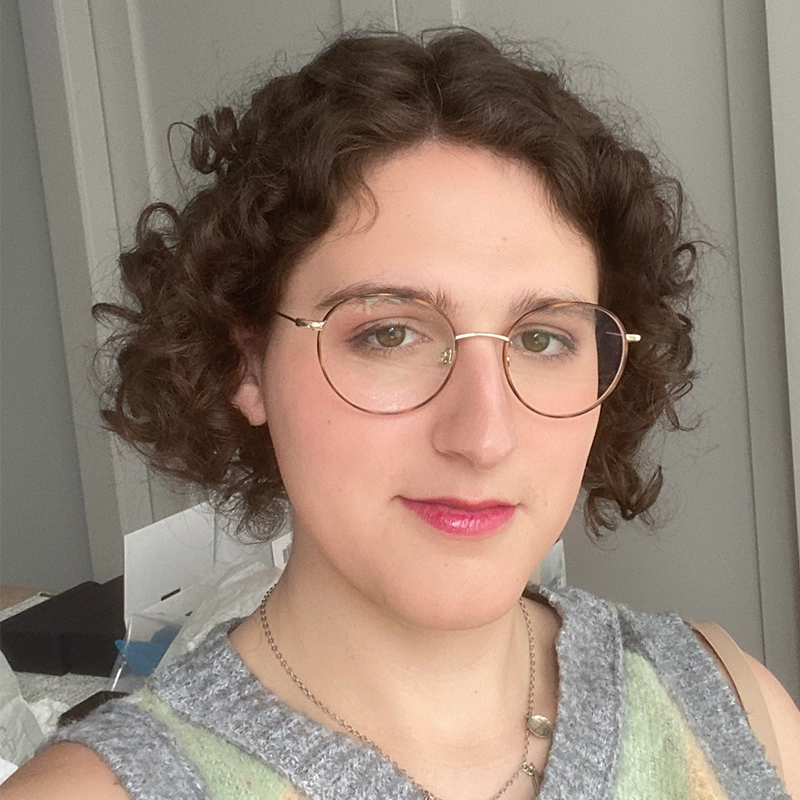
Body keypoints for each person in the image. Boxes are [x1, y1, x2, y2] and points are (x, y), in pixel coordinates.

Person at [6, 27, 799, 800]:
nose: (484, 435)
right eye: (389, 333)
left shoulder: (733, 708)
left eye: (543, 338)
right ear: (246, 361)